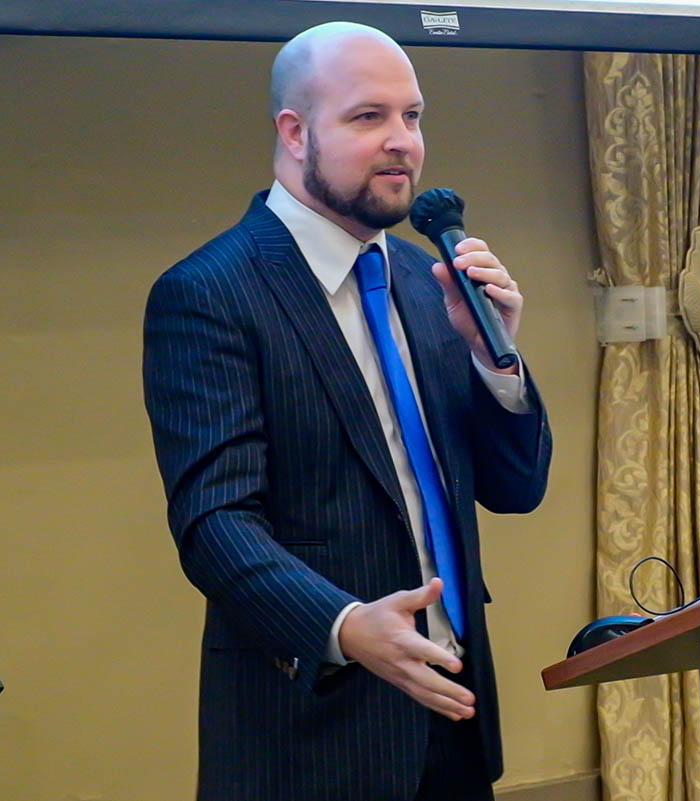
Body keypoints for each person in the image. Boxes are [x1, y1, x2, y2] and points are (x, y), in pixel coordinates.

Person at [142, 21, 551, 801]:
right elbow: (213, 521)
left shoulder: (427, 282)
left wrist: (493, 358)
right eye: (369, 118)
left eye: (413, 116)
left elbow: (515, 489)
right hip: (311, 729)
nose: (401, 141)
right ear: (295, 133)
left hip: (453, 713)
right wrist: (342, 624)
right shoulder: (210, 293)